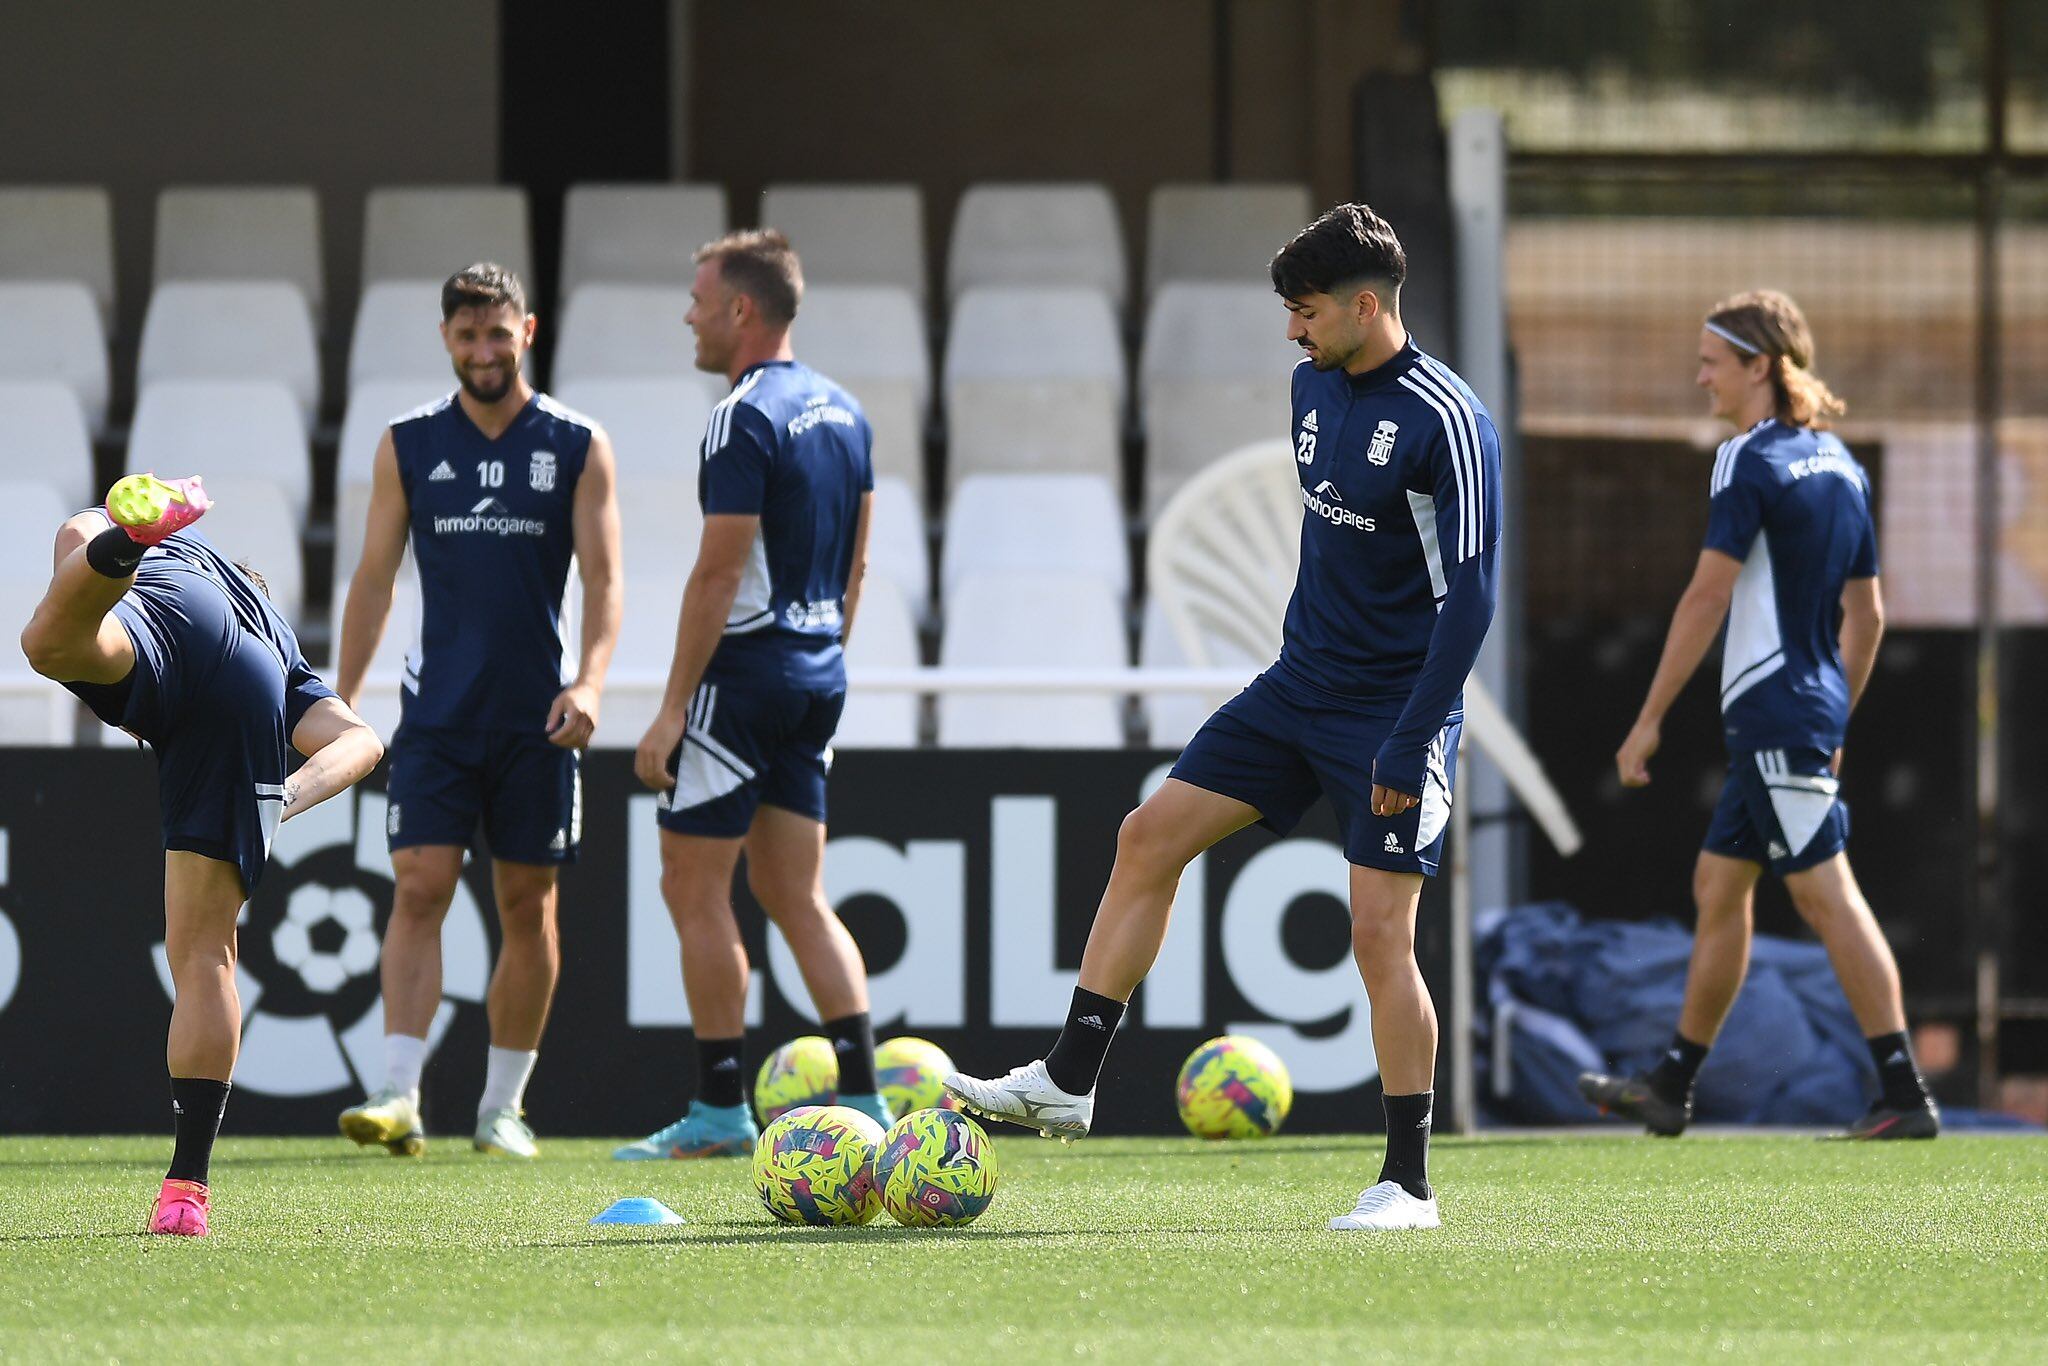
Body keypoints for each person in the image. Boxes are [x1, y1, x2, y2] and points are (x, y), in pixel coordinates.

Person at [945, 204, 1501, 1232]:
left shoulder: (1446, 419)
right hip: (1294, 687)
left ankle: (1408, 1183)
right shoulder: (1308, 387)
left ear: (1363, 305)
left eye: (1304, 311)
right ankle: (1070, 1075)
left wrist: (1411, 735)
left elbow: (1467, 599)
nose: (1291, 332)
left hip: (1391, 711)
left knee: (1379, 935)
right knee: (1146, 835)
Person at [1579, 290, 1938, 1140]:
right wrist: (1836, 719)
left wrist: (1649, 718)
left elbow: (1707, 596)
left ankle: (1904, 1091)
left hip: (1773, 713)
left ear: (1760, 366)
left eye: (1712, 360)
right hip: (1804, 712)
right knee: (1720, 886)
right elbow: (1870, 616)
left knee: (1826, 896)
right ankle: (1673, 1084)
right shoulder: (1841, 462)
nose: (1700, 375)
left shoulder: (1747, 460)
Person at [20, 474, 383, 1236]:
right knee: (207, 955)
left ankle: (127, 540)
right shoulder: (278, 641)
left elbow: (71, 537)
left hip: (157, 624)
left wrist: (124, 537)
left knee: (54, 635)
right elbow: (362, 741)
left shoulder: (180, 559)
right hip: (242, 695)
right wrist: (279, 798)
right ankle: (185, 1189)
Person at [334, 263, 622, 1159]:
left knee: (527, 903)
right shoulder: (408, 443)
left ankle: (502, 1107)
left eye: (498, 334)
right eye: (467, 337)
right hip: (437, 718)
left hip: (539, 720)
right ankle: (398, 1093)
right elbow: (375, 578)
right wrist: (337, 701)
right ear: (446, 340)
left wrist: (592, 685)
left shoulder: (577, 443)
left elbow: (608, 581)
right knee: (417, 889)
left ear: (526, 332)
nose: (484, 352)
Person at [613, 228, 889, 1161]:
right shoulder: (848, 412)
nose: (688, 315)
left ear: (741, 309)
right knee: (795, 892)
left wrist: (668, 710)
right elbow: (859, 559)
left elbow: (717, 574)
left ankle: (722, 1106)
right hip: (818, 673)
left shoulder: (743, 416)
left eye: (698, 298)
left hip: (743, 680)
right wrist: (825, 660)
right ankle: (866, 1094)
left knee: (694, 888)